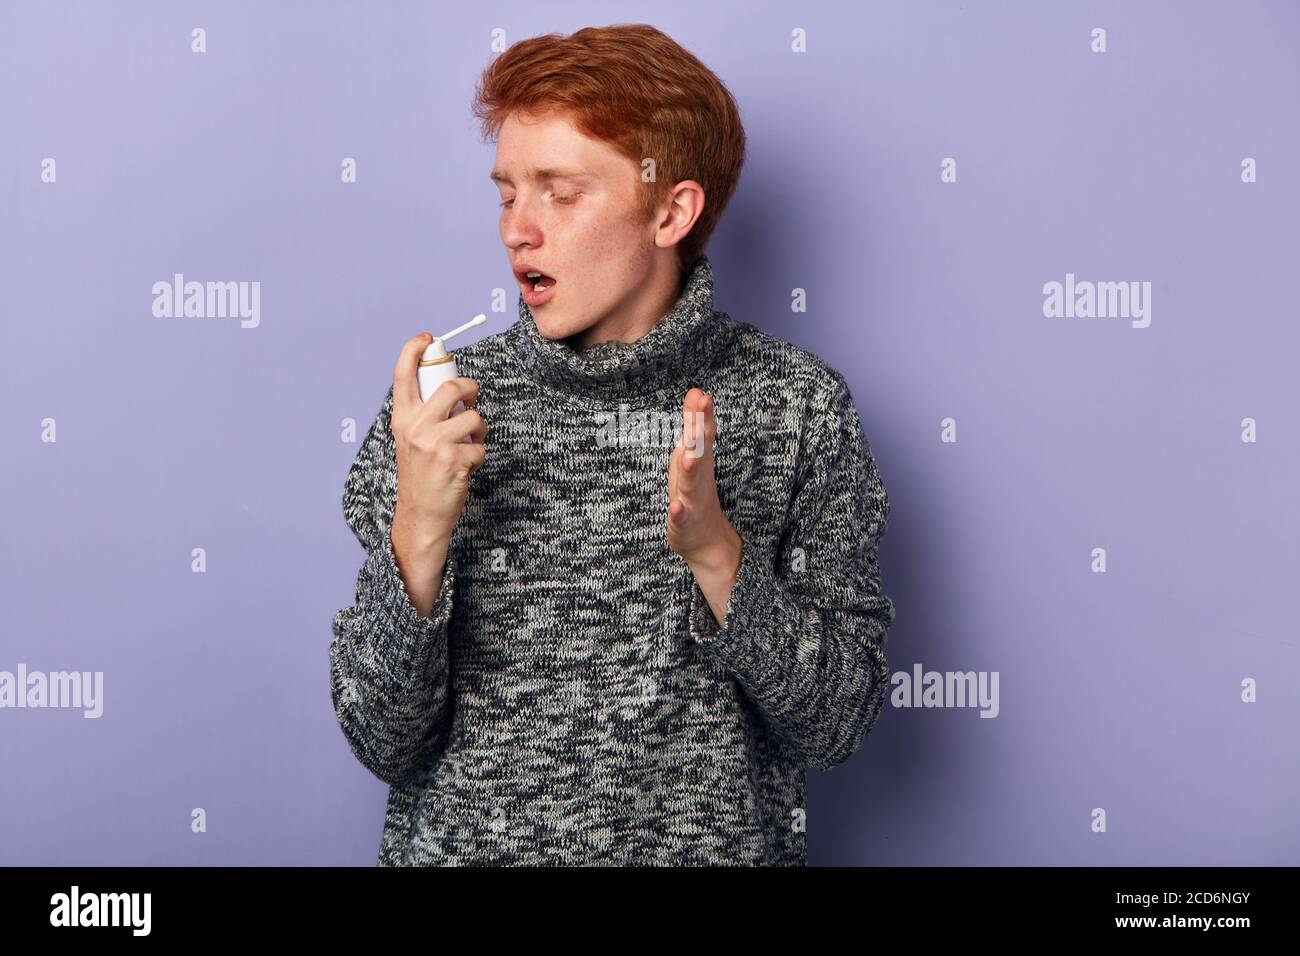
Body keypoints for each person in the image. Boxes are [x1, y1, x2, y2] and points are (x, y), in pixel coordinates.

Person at [329, 22, 896, 866]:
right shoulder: (437, 416)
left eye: (560, 192)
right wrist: (419, 527)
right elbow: (383, 740)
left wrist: (718, 559)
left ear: (671, 210)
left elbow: (835, 725)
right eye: (507, 192)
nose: (517, 230)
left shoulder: (796, 407)